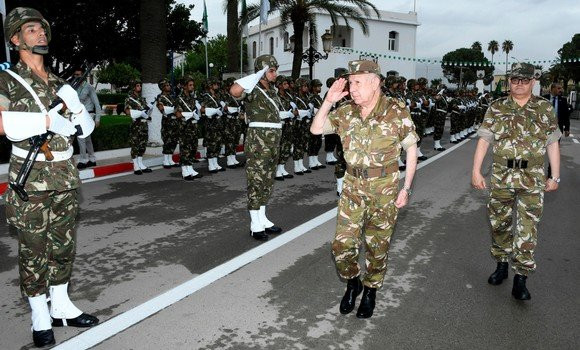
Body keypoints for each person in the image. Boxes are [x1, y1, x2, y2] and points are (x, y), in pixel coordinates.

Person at [0, 7, 99, 347]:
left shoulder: (59, 82)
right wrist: (44, 123)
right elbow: (1, 124)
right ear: (16, 39)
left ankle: (62, 306)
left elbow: (85, 130)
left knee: (63, 245)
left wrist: (78, 108)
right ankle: (40, 314)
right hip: (31, 176)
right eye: (31, 30)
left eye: (42, 29)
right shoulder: (6, 80)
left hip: (65, 173)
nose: (40, 34)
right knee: (33, 247)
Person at [311, 60, 419, 318]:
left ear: (375, 82)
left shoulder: (396, 111)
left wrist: (406, 188)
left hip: (385, 188)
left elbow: (411, 149)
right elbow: (316, 129)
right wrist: (328, 101)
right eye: (350, 82)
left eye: (357, 82)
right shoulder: (346, 111)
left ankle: (370, 290)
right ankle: (353, 282)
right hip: (352, 186)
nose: (352, 88)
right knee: (342, 245)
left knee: (377, 246)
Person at [472, 63, 561, 301]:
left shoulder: (544, 108)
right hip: (501, 175)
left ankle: (521, 277)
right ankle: (501, 263)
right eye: (514, 80)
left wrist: (555, 175)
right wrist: (476, 170)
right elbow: (484, 140)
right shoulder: (497, 107)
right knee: (499, 223)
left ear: (533, 82)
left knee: (528, 228)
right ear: (510, 82)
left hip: (532, 177)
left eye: (524, 80)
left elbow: (552, 142)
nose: (519, 84)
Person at [230, 54, 283, 241]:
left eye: (275, 70)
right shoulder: (252, 88)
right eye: (271, 70)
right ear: (261, 72)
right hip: (258, 142)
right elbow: (235, 91)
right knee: (256, 179)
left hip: (273, 142)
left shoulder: (273, 91)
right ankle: (255, 223)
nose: (275, 74)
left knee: (267, 180)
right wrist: (256, 76)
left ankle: (263, 218)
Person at [73, 66, 102, 169]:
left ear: (83, 76)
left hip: (88, 115)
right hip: (78, 115)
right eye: (75, 74)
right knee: (87, 138)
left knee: (81, 136)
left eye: (78, 75)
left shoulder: (89, 87)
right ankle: (92, 159)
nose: (76, 76)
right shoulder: (74, 87)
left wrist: (97, 118)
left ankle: (83, 160)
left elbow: (97, 104)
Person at [175, 75, 202, 180]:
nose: (192, 87)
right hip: (184, 128)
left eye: (193, 85)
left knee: (192, 148)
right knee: (185, 148)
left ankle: (190, 168)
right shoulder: (179, 98)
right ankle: (184, 170)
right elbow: (177, 114)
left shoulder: (192, 98)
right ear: (184, 86)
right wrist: (189, 114)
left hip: (193, 127)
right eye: (190, 85)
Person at [125, 79, 153, 175]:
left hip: (144, 124)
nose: (139, 87)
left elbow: (146, 111)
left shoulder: (142, 99)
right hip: (136, 125)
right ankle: (135, 165)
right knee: (135, 144)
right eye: (137, 86)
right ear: (133, 87)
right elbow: (128, 112)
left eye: (140, 85)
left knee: (142, 144)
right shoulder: (129, 99)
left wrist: (148, 110)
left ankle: (140, 163)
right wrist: (139, 113)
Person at [156, 79, 180, 169]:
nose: (169, 86)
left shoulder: (172, 96)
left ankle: (170, 159)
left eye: (169, 85)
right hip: (167, 121)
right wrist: (172, 109)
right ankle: (166, 160)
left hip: (174, 121)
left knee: (173, 140)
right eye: (166, 85)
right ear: (162, 87)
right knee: (167, 140)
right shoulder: (160, 97)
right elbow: (161, 108)